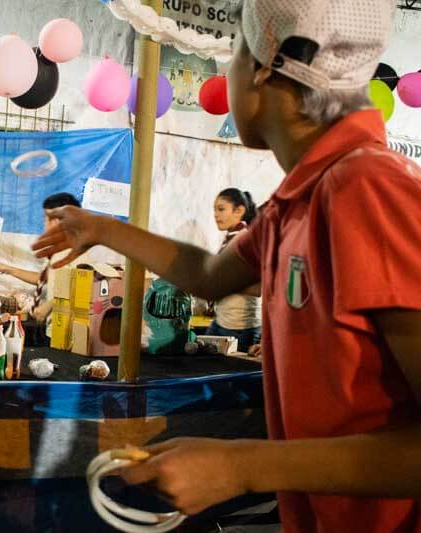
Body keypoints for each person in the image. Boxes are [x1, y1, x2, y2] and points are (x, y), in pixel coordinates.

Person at [32, 1, 421, 531]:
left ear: (264, 68)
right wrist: (102, 228)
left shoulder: (367, 190)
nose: (229, 73)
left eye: (233, 52)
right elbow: (209, 276)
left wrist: (244, 466)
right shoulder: (301, 198)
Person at [0, 192, 82, 338]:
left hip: (68, 332)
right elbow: (46, 279)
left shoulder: (77, 250)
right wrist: (11, 270)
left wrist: (49, 305)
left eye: (46, 219)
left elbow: (79, 287)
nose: (45, 224)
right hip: (54, 328)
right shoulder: (59, 249)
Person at [206, 188, 261, 353]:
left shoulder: (247, 239)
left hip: (240, 327)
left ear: (239, 211)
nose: (216, 215)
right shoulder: (230, 238)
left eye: (221, 209)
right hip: (223, 320)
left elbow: (258, 288)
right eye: (214, 210)